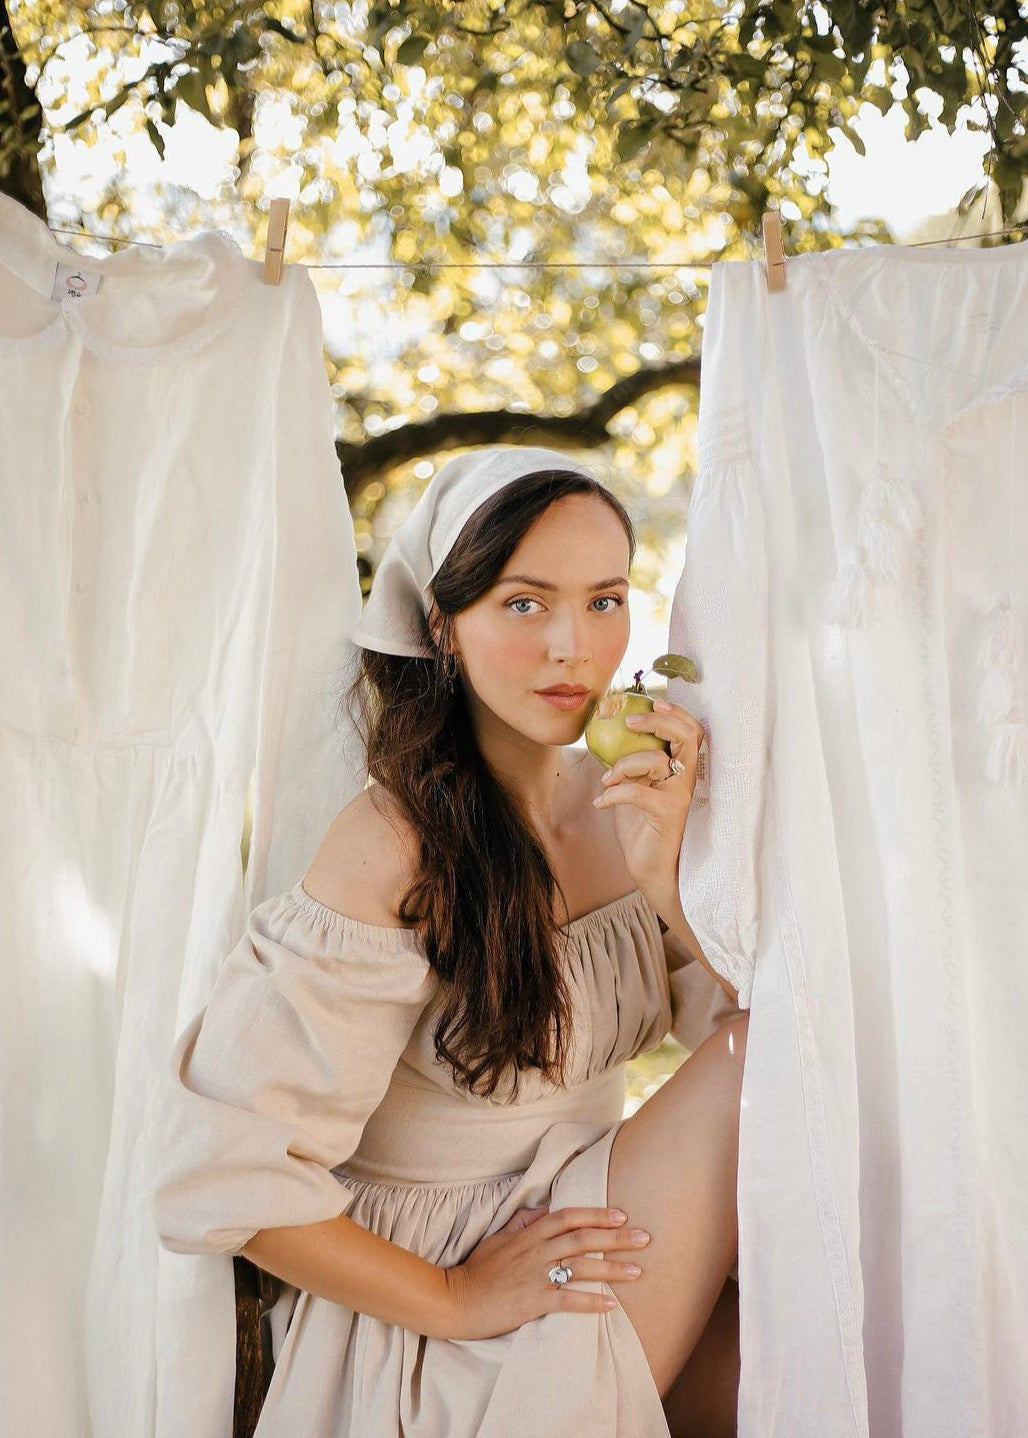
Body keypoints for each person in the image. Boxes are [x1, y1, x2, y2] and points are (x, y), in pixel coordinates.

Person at [151, 446, 748, 1438]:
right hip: (442, 1309)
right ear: (441, 623)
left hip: (581, 1223)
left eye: (603, 599)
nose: (572, 645)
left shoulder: (630, 794)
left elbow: (769, 1031)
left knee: (824, 1354)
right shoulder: (388, 844)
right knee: (756, 1059)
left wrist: (661, 875)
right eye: (523, 603)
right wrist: (458, 1298)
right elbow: (220, 1176)